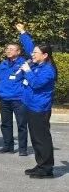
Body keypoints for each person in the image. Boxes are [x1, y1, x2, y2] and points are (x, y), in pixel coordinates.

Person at [19, 40, 57, 179]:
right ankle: (40, 164)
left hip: (40, 108)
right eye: (33, 52)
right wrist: (23, 34)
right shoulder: (37, 65)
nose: (32, 54)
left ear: (45, 55)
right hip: (31, 105)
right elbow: (30, 47)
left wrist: (28, 71)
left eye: (36, 52)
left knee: (42, 139)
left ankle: (46, 168)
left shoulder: (48, 70)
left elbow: (36, 84)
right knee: (35, 138)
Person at [0, 26, 31, 156]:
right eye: (7, 49)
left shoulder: (24, 63)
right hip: (4, 98)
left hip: (19, 99)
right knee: (5, 124)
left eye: (11, 49)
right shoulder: (3, 63)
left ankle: (22, 149)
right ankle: (8, 146)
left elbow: (31, 49)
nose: (8, 51)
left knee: (21, 125)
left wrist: (23, 33)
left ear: (18, 52)